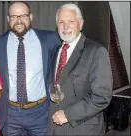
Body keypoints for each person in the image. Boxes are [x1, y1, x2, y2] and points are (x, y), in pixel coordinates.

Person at [0, 2, 61, 136]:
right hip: (10, 114)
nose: (19, 21)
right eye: (14, 16)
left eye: (23, 16)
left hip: (41, 112)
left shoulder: (50, 39)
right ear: (8, 19)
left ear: (31, 17)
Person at [47, 3, 112, 135]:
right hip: (53, 128)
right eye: (61, 22)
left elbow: (102, 97)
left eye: (70, 21)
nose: (65, 27)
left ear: (80, 23)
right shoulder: (55, 52)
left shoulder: (96, 52)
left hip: (82, 129)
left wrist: (68, 114)